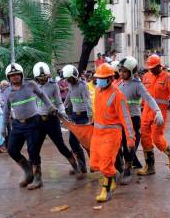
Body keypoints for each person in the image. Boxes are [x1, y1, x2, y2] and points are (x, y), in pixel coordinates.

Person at [3, 63, 56, 190]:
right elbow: (6, 110)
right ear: (8, 77)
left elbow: (42, 95)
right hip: (17, 124)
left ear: (21, 75)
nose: (15, 77)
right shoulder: (7, 91)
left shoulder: (30, 84)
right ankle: (28, 172)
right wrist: (3, 127)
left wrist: (50, 106)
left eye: (17, 74)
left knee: (33, 151)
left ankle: (38, 178)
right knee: (12, 149)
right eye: (12, 75)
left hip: (33, 122)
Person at [90, 63, 136, 202]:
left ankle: (106, 189)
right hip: (97, 133)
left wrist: (130, 138)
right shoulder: (98, 90)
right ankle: (113, 175)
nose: (99, 80)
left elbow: (126, 118)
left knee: (105, 163)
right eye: (98, 78)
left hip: (111, 135)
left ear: (110, 78)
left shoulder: (118, 95)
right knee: (94, 164)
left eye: (102, 78)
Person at [32, 62, 83, 179]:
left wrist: (63, 113)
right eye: (41, 77)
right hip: (39, 121)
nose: (43, 79)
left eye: (45, 76)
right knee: (34, 148)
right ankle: (36, 176)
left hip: (52, 119)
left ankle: (76, 166)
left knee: (60, 145)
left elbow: (59, 102)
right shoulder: (33, 87)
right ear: (36, 77)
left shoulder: (53, 85)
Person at [117, 56, 163, 184]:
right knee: (120, 145)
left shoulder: (137, 85)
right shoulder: (119, 84)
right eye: (121, 70)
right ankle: (131, 163)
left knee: (129, 146)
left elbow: (149, 99)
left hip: (133, 119)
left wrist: (157, 111)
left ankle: (127, 171)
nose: (121, 73)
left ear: (131, 71)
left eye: (125, 71)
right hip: (120, 120)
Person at [138, 54, 170, 176]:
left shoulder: (167, 77)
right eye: (150, 68)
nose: (151, 70)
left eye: (153, 67)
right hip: (146, 111)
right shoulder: (146, 76)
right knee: (144, 138)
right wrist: (140, 106)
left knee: (157, 138)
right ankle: (150, 167)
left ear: (159, 66)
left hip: (160, 112)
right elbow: (143, 94)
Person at [62, 64, 92, 179]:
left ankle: (94, 164)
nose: (68, 80)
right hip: (74, 117)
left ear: (75, 76)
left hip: (84, 117)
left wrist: (89, 118)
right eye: (66, 79)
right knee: (73, 142)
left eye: (69, 78)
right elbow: (69, 97)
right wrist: (63, 108)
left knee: (86, 143)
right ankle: (81, 166)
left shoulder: (83, 86)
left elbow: (88, 102)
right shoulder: (70, 85)